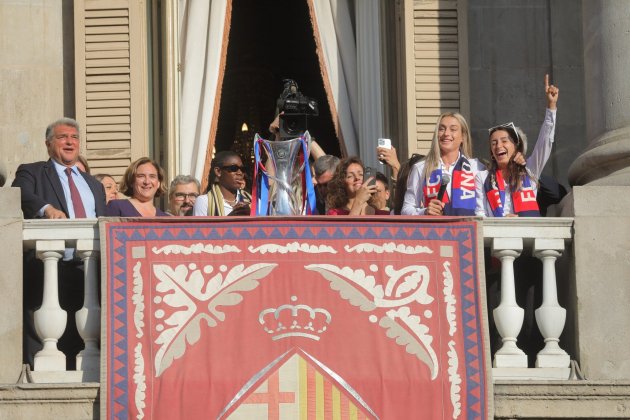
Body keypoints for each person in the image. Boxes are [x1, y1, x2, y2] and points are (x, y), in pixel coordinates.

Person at [11, 117, 107, 369]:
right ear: (48, 143)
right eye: (63, 137)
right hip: (49, 266)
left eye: (74, 137)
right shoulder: (32, 171)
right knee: (43, 327)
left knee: (84, 326)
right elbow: (20, 193)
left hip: (87, 267)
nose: (69, 142)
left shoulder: (93, 185)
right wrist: (46, 209)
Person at [475, 74, 559, 217]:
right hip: (496, 236)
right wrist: (502, 221)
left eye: (504, 141)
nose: (498, 146)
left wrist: (551, 107)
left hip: (526, 236)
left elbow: (545, 142)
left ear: (516, 146)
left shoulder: (529, 170)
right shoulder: (482, 177)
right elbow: (480, 214)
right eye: (493, 143)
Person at [401, 111, 484, 216]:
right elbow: (406, 209)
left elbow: (484, 210)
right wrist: (425, 212)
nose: (446, 134)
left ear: (463, 136)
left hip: (468, 230)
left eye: (453, 129)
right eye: (441, 129)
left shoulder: (476, 167)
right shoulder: (421, 168)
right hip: (434, 231)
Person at [193, 151, 251, 216]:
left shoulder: (251, 202)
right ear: (218, 171)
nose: (240, 173)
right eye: (233, 168)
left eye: (242, 169)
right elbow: (201, 226)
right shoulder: (204, 202)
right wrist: (231, 217)